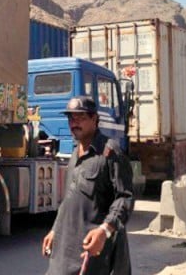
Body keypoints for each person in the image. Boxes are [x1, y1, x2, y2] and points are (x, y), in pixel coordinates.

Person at [42, 96, 134, 275]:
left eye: (80, 117)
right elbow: (69, 200)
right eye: (71, 118)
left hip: (92, 250)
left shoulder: (109, 153)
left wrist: (104, 230)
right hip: (65, 248)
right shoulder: (76, 153)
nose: (74, 123)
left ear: (94, 119)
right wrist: (55, 230)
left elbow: (125, 197)